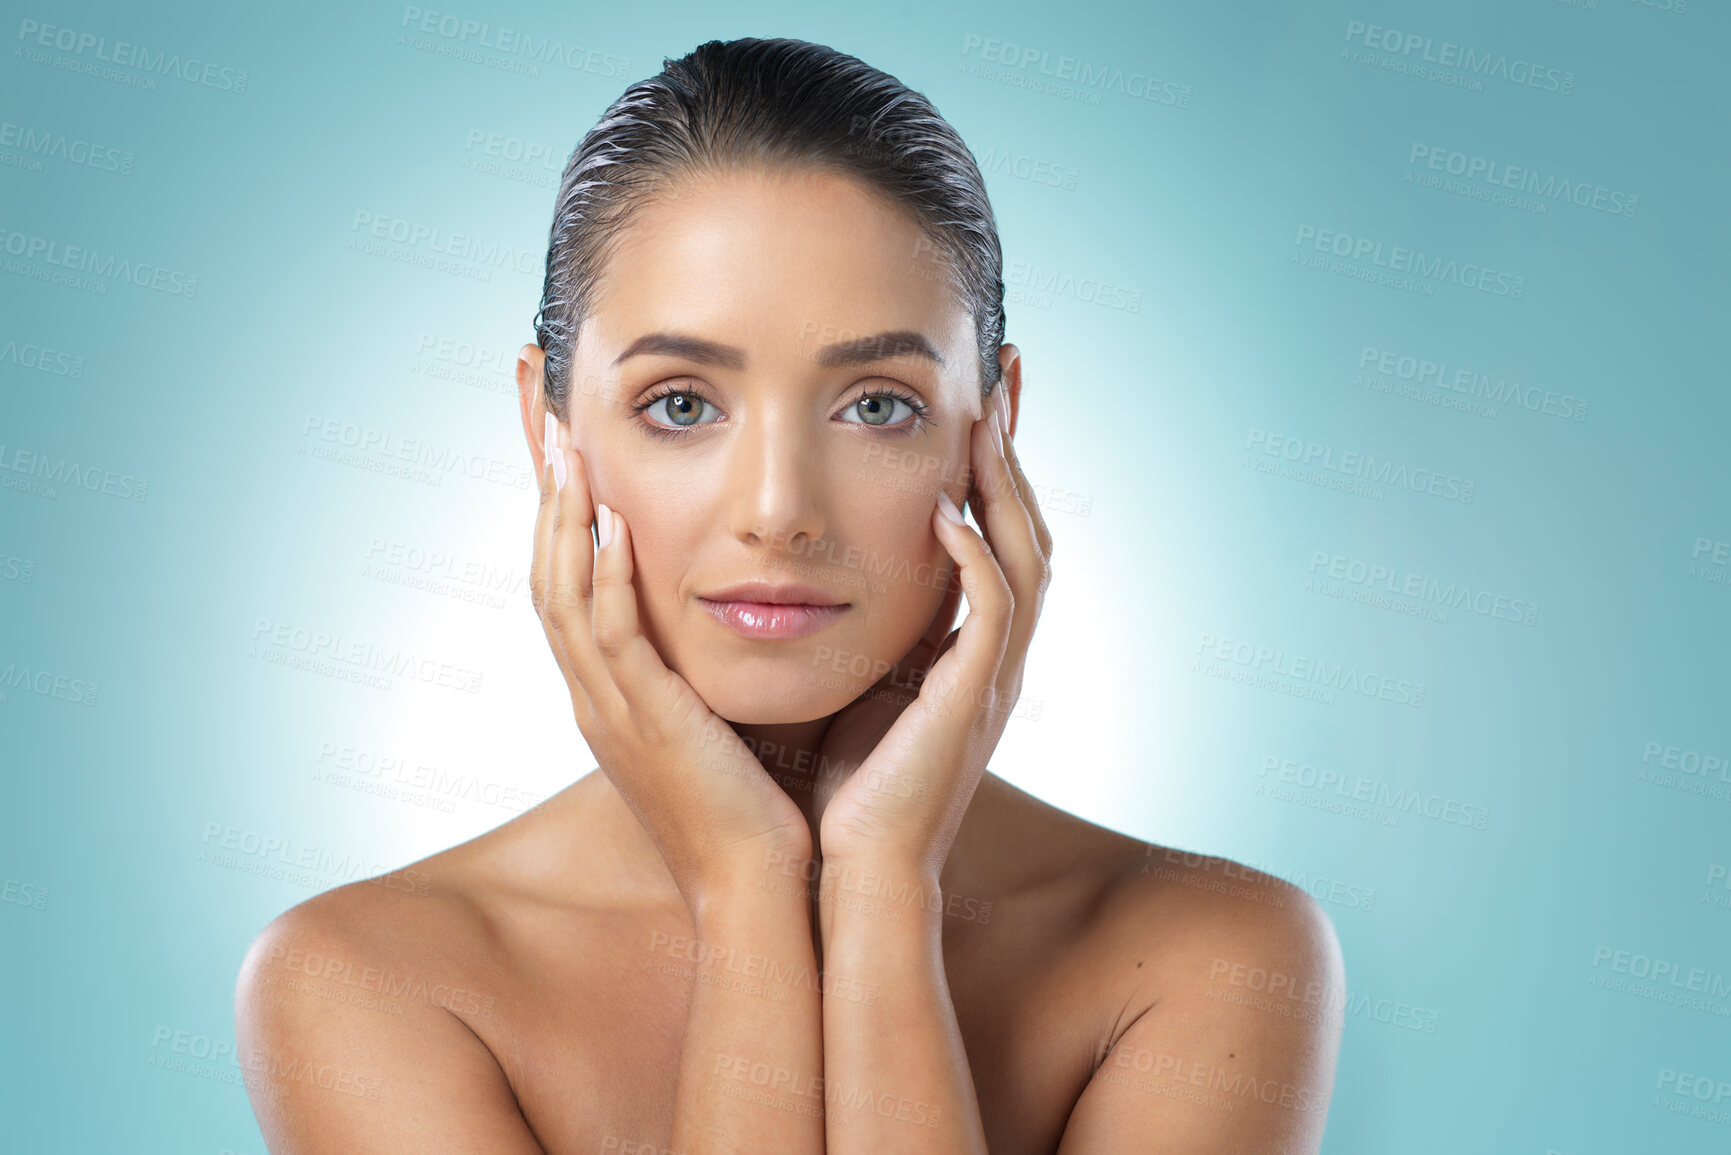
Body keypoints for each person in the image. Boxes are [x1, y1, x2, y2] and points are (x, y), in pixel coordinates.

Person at [235, 37, 1343, 1154]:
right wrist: (744, 888)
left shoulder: (1215, 957)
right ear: (549, 429)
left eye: (874, 406)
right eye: (680, 404)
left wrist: (882, 892)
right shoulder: (367, 983)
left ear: (992, 431)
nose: (777, 510)